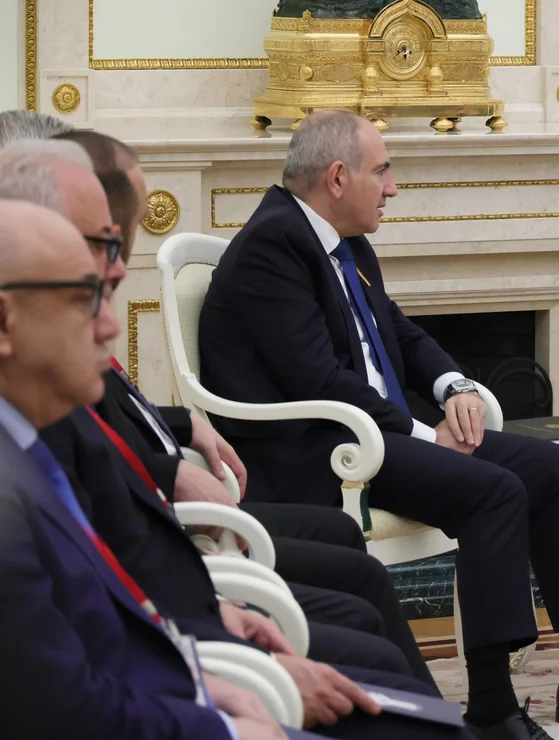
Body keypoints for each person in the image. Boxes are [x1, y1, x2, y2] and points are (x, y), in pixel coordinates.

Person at [199, 110, 559, 739]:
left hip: (374, 436)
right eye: (383, 171)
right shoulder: (272, 247)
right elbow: (317, 380)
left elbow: (399, 330)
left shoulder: (339, 239)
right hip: (321, 449)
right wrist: (422, 433)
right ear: (338, 177)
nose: (392, 187)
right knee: (494, 491)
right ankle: (492, 707)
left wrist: (454, 385)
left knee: (550, 467)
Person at [0, 141, 442, 735]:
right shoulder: (29, 446)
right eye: (87, 291)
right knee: (392, 686)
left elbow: (107, 583)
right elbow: (69, 698)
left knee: (409, 697)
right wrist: (230, 704)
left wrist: (205, 636)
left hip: (188, 640)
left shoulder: (34, 425)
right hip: (188, 685)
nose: (110, 316)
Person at [0, 197, 291, 739]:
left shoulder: (25, 442)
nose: (111, 324)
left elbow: (104, 618)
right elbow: (64, 709)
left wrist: (200, 679)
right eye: (85, 300)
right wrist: (226, 729)